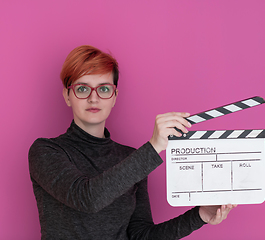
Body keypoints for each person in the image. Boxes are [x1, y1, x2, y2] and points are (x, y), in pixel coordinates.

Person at [28, 45, 236, 240]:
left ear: (114, 96)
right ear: (67, 95)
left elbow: (141, 235)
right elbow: (87, 198)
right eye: (82, 89)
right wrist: (153, 147)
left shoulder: (130, 158)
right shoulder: (46, 151)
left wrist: (200, 215)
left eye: (104, 89)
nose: (94, 98)